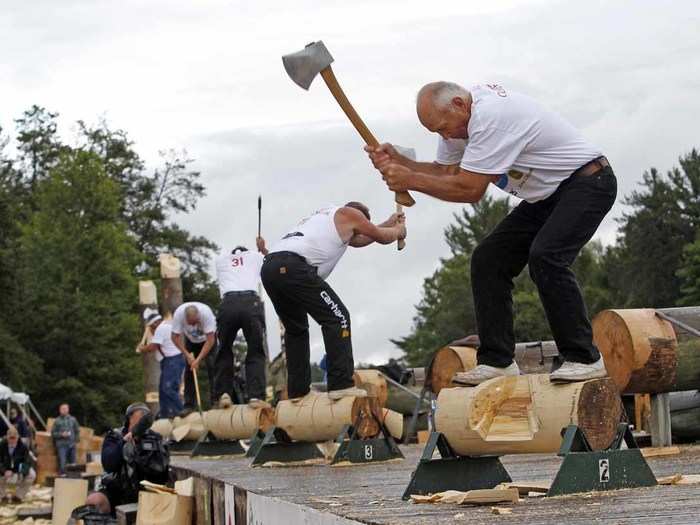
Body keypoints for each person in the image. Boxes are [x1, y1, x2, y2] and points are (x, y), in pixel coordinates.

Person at [365, 82, 616, 385]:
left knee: (546, 256)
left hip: (588, 182)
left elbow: (469, 189)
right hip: (547, 195)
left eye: (444, 128)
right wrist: (401, 163)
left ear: (460, 104)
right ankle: (498, 361)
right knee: (488, 259)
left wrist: (410, 179)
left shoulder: (491, 118)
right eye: (437, 132)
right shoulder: (460, 121)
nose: (445, 136)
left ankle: (584, 358)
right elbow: (446, 172)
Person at [261, 202, 406, 400]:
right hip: (294, 266)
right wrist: (398, 231)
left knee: (296, 330)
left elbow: (360, 239)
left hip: (271, 268)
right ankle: (341, 384)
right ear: (360, 217)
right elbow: (380, 237)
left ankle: (298, 391)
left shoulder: (326, 216)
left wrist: (389, 223)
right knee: (338, 318)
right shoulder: (350, 213)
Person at [85, 403, 170, 515]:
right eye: (141, 415)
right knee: (94, 501)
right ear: (129, 418)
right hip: (118, 491)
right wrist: (125, 441)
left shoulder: (155, 438)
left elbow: (162, 471)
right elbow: (109, 465)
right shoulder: (115, 436)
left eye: (146, 417)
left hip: (147, 492)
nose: (143, 420)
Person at [213, 239, 269, 408]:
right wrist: (262, 249)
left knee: (224, 349)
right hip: (250, 302)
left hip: (228, 303)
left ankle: (223, 394)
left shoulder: (221, 260)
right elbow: (273, 260)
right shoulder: (255, 256)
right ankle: (256, 396)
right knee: (255, 350)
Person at [139, 309, 186, 418]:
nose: (151, 329)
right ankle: (165, 414)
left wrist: (142, 348)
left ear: (155, 323)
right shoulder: (164, 327)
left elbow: (153, 347)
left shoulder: (162, 328)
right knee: (162, 390)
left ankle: (181, 411)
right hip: (169, 361)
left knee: (169, 388)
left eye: (152, 327)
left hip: (173, 361)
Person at [170, 302, 217, 410]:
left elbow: (211, 340)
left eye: (195, 322)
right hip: (191, 341)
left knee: (213, 366)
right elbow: (174, 337)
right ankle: (189, 404)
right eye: (190, 323)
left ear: (198, 316)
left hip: (207, 341)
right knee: (189, 370)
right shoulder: (178, 315)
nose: (192, 326)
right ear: (185, 319)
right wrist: (187, 355)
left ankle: (216, 400)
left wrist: (198, 359)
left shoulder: (206, 314)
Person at [0, 426, 35, 503]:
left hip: (17, 470)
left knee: (32, 474)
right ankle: (2, 496)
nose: (12, 440)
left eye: (14, 438)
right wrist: (4, 470)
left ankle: (18, 496)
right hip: (5, 470)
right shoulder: (2, 445)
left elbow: (27, 461)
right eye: (10, 438)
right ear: (7, 437)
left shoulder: (23, 446)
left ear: (18, 437)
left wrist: (20, 471)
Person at [51, 403, 80, 475]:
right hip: (61, 445)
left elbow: (77, 430)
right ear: (60, 410)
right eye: (62, 409)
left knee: (73, 463)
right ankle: (62, 477)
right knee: (62, 462)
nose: (64, 410)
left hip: (72, 444)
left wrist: (76, 440)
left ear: (68, 409)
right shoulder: (57, 421)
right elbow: (53, 433)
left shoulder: (73, 419)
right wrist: (61, 435)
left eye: (65, 408)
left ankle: (73, 478)